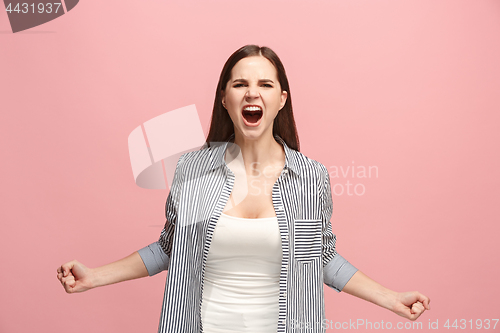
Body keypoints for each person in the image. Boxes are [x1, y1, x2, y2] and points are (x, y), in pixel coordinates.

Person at [57, 45, 430, 332]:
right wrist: (95, 276)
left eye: (265, 84)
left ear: (281, 100)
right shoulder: (190, 170)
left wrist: (392, 299)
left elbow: (322, 258)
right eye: (240, 84)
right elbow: (169, 248)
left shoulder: (311, 177)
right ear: (225, 98)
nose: (253, 93)